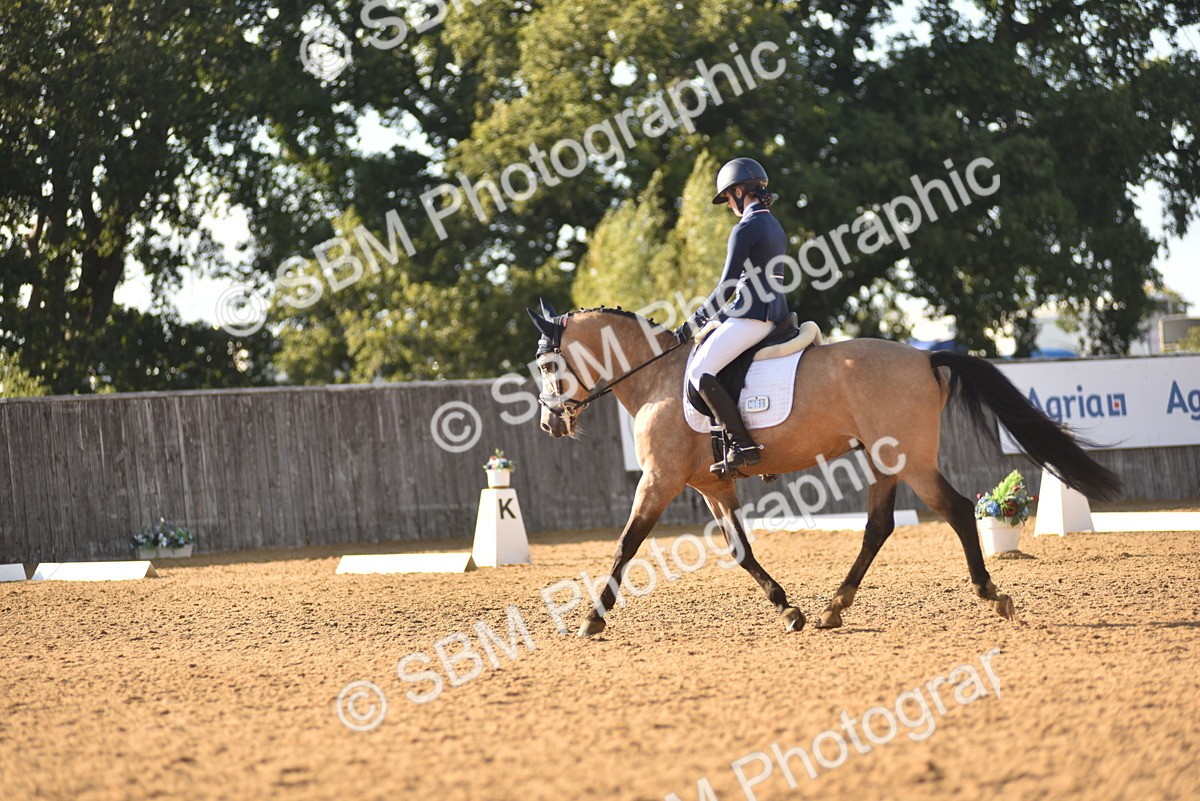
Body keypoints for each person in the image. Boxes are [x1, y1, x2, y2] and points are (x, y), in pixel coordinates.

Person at [675, 157, 790, 473]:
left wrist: (694, 321)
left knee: (699, 371)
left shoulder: (746, 228)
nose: (728, 204)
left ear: (739, 192)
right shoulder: (774, 225)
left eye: (727, 197)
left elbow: (727, 285)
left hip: (752, 317)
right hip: (775, 314)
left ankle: (743, 444)